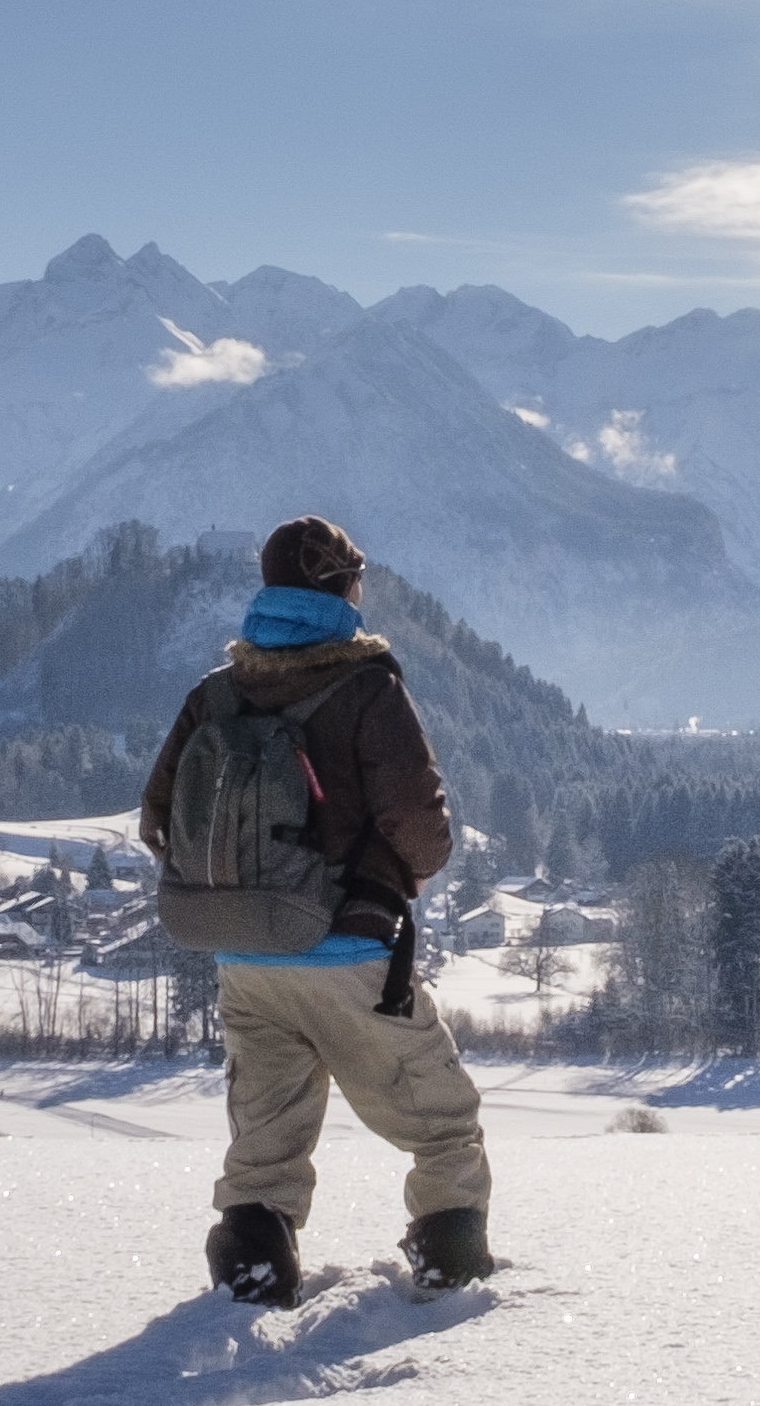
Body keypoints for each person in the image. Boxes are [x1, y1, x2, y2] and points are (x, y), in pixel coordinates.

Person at [137, 516, 495, 1303]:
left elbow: (158, 816)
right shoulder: (366, 686)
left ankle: (254, 1268)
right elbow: (420, 822)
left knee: (265, 1140)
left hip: (244, 961)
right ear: (343, 588)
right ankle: (450, 1263)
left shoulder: (217, 693)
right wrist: (391, 879)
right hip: (348, 952)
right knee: (442, 1122)